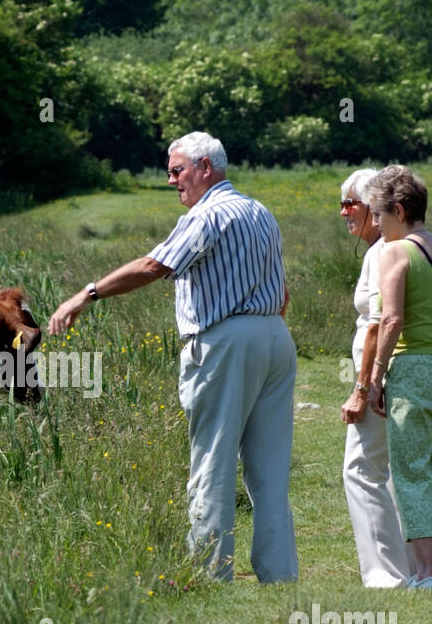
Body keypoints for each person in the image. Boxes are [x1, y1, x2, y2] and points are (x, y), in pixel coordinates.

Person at [48, 132, 297, 584]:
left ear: (205, 167)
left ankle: (208, 573)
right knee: (270, 468)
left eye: (177, 169)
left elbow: (154, 266)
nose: (170, 180)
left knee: (212, 461)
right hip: (275, 338)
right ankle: (279, 577)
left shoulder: (208, 215)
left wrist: (86, 295)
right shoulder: (260, 211)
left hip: (226, 341)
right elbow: (281, 294)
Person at [364, 165, 432, 589]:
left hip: (414, 371)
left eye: (378, 215)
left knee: (411, 471)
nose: (375, 225)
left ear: (398, 209)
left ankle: (425, 574)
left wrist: (376, 378)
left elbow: (391, 320)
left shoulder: (394, 253)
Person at [338, 169, 415, 589]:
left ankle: (385, 575)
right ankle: (407, 567)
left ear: (375, 207)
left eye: (351, 203)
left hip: (380, 377)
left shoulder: (380, 252)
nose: (344, 211)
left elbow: (376, 325)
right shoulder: (400, 246)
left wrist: (363, 387)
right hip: (403, 372)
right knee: (389, 471)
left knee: (361, 468)